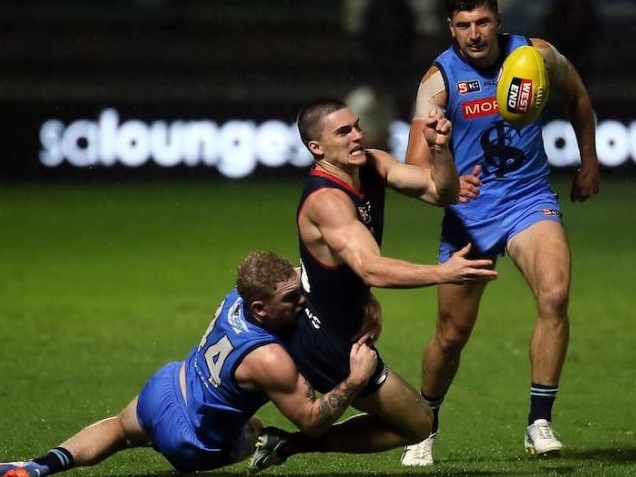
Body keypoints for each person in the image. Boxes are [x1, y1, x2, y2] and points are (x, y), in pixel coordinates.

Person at [399, 0, 601, 467]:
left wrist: (588, 159)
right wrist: (444, 170)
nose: (475, 33)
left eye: (483, 22)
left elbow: (579, 97)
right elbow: (414, 169)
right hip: (470, 213)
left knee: (554, 296)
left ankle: (539, 422)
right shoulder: (438, 80)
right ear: (451, 27)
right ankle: (423, 424)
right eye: (464, 25)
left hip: (528, 199)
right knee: (451, 337)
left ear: (498, 22)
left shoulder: (537, 55)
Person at [248, 98, 498, 472]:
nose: (357, 136)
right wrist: (444, 272)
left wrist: (440, 149)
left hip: (346, 320)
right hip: (326, 337)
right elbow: (371, 270)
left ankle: (282, 440)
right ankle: (289, 443)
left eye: (358, 126)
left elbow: (441, 192)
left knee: (415, 423)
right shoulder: (328, 201)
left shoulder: (373, 163)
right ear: (317, 148)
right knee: (417, 424)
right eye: (344, 132)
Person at [0, 251, 380, 477]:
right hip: (194, 441)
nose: (302, 301)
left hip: (166, 389)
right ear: (261, 308)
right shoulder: (269, 359)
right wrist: (354, 380)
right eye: (292, 297)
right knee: (256, 428)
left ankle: (38, 467)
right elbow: (313, 421)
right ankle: (162, 439)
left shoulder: (237, 297)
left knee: (119, 429)